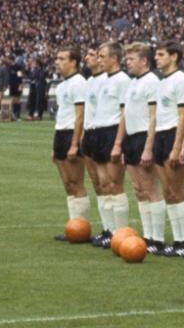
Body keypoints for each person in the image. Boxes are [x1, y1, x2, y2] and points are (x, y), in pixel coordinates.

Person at [117, 42, 165, 250]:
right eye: (126, 59)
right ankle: (147, 235)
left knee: (151, 188)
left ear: (144, 61)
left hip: (144, 137)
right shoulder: (132, 83)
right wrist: (121, 144)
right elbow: (126, 115)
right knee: (138, 189)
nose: (127, 62)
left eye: (131, 59)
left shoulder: (152, 81)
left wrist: (148, 147)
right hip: (131, 138)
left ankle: (158, 238)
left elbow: (154, 116)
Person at [83, 43, 131, 247]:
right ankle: (108, 230)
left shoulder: (122, 80)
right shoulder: (103, 80)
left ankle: (121, 233)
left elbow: (124, 113)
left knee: (114, 184)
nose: (99, 60)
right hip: (99, 132)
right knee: (103, 184)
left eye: (102, 56)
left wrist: (118, 142)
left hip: (112, 132)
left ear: (114, 59)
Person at [151, 41, 184, 257]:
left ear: (174, 57)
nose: (156, 58)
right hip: (160, 134)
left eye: (161, 54)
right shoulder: (162, 82)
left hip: (172, 135)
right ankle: (178, 240)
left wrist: (177, 147)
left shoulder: (181, 80)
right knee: (168, 192)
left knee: (178, 191)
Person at [48, 47, 91, 239]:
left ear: (73, 62)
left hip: (72, 135)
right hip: (61, 133)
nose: (57, 62)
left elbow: (80, 115)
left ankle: (83, 228)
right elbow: (62, 115)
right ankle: (75, 227)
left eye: (62, 58)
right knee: (67, 184)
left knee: (76, 182)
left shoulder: (79, 83)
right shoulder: (61, 85)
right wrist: (55, 147)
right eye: (57, 58)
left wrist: (75, 143)